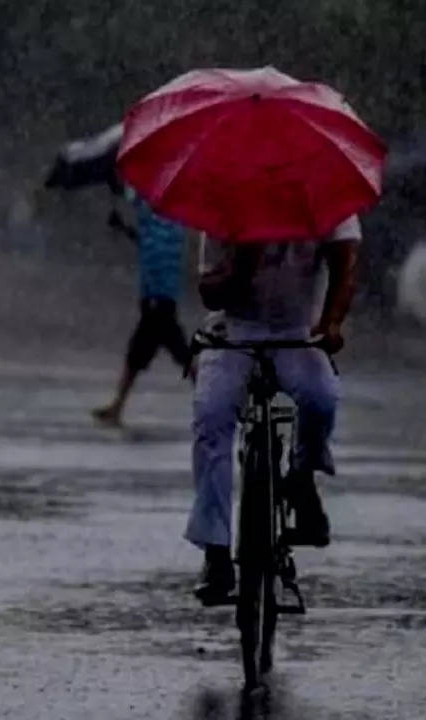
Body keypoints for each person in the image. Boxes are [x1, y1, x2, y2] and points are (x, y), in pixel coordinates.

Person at [188, 215, 361, 604]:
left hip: (296, 334)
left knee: (321, 399)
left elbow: (345, 265)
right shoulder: (225, 204)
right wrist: (240, 268)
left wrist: (332, 322)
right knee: (211, 417)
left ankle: (302, 476)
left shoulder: (327, 198)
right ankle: (215, 551)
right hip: (233, 333)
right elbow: (209, 293)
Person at [91, 186, 191, 425]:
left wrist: (120, 190)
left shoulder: (154, 215)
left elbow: (136, 200)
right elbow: (146, 242)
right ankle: (117, 406)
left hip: (156, 298)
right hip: (161, 297)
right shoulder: (173, 224)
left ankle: (219, 403)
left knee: (175, 355)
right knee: (144, 355)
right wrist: (124, 228)